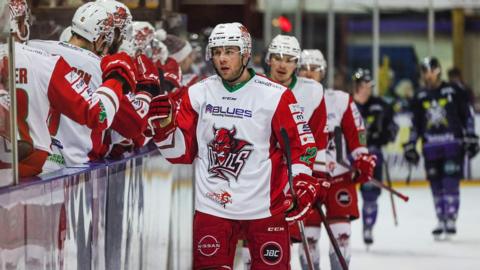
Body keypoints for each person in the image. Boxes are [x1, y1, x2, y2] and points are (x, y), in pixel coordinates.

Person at [150, 22, 328, 269]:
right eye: (217, 52)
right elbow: (179, 153)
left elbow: (303, 145)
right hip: (212, 209)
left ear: (245, 53)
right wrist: (163, 128)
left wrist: (299, 180)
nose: (222, 59)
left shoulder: (275, 95)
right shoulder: (196, 93)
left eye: (230, 51)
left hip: (265, 210)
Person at [8, 0, 137, 177]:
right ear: (100, 39)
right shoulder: (101, 68)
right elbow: (112, 119)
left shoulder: (32, 48)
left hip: (22, 159)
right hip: (74, 167)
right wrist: (118, 80)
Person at [295, 49, 376, 270]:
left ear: (323, 72)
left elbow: (356, 134)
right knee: (309, 237)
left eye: (315, 69)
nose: (309, 74)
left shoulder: (340, 100)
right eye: (304, 68)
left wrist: (362, 157)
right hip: (306, 180)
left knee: (342, 235)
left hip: (339, 177)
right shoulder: (287, 100)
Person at [404, 57, 479, 239]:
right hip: (430, 147)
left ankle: (451, 218)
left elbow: (467, 115)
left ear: (437, 70)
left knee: (450, 181)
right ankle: (441, 219)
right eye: (423, 71)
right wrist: (411, 144)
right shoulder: (419, 96)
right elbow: (415, 124)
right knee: (436, 185)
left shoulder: (454, 90)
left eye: (428, 70)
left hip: (452, 144)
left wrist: (470, 135)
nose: (426, 75)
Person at [351, 68, 398, 245]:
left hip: (372, 155)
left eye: (370, 85)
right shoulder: (345, 103)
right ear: (357, 85)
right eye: (365, 85)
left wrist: (385, 135)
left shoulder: (381, 105)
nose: (368, 88)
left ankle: (368, 226)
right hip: (348, 158)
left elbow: (393, 127)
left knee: (370, 194)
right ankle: (340, 228)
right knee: (341, 193)